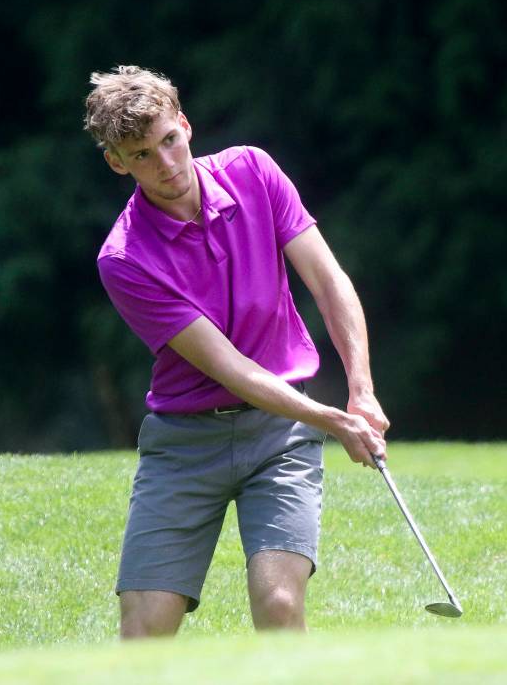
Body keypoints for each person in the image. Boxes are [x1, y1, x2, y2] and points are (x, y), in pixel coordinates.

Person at [85, 65, 389, 639]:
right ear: (117, 162)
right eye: (142, 154)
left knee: (278, 603)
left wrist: (361, 388)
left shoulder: (253, 171)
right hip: (184, 445)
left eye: (169, 140)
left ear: (186, 125)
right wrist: (331, 419)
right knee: (144, 629)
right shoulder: (124, 258)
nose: (166, 164)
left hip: (278, 436)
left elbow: (328, 282)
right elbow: (228, 367)